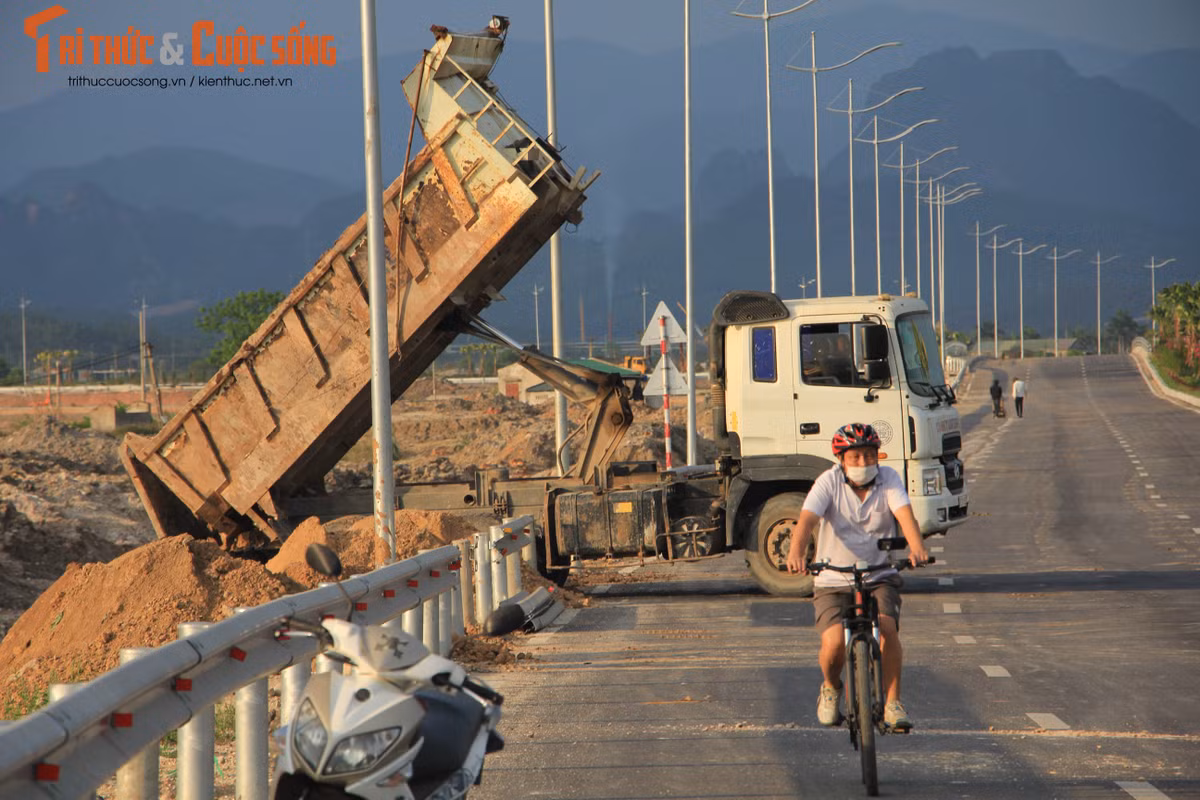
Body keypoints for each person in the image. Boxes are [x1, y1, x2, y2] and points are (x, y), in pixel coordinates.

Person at [786, 422, 930, 732]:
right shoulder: (828, 482)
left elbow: (905, 515)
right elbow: (806, 520)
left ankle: (893, 703)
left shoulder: (889, 478)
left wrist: (917, 547)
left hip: (879, 573)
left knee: (888, 629)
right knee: (834, 642)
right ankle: (830, 687)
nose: (863, 463)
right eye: (855, 457)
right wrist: (796, 552)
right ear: (841, 458)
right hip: (832, 577)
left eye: (869, 456)